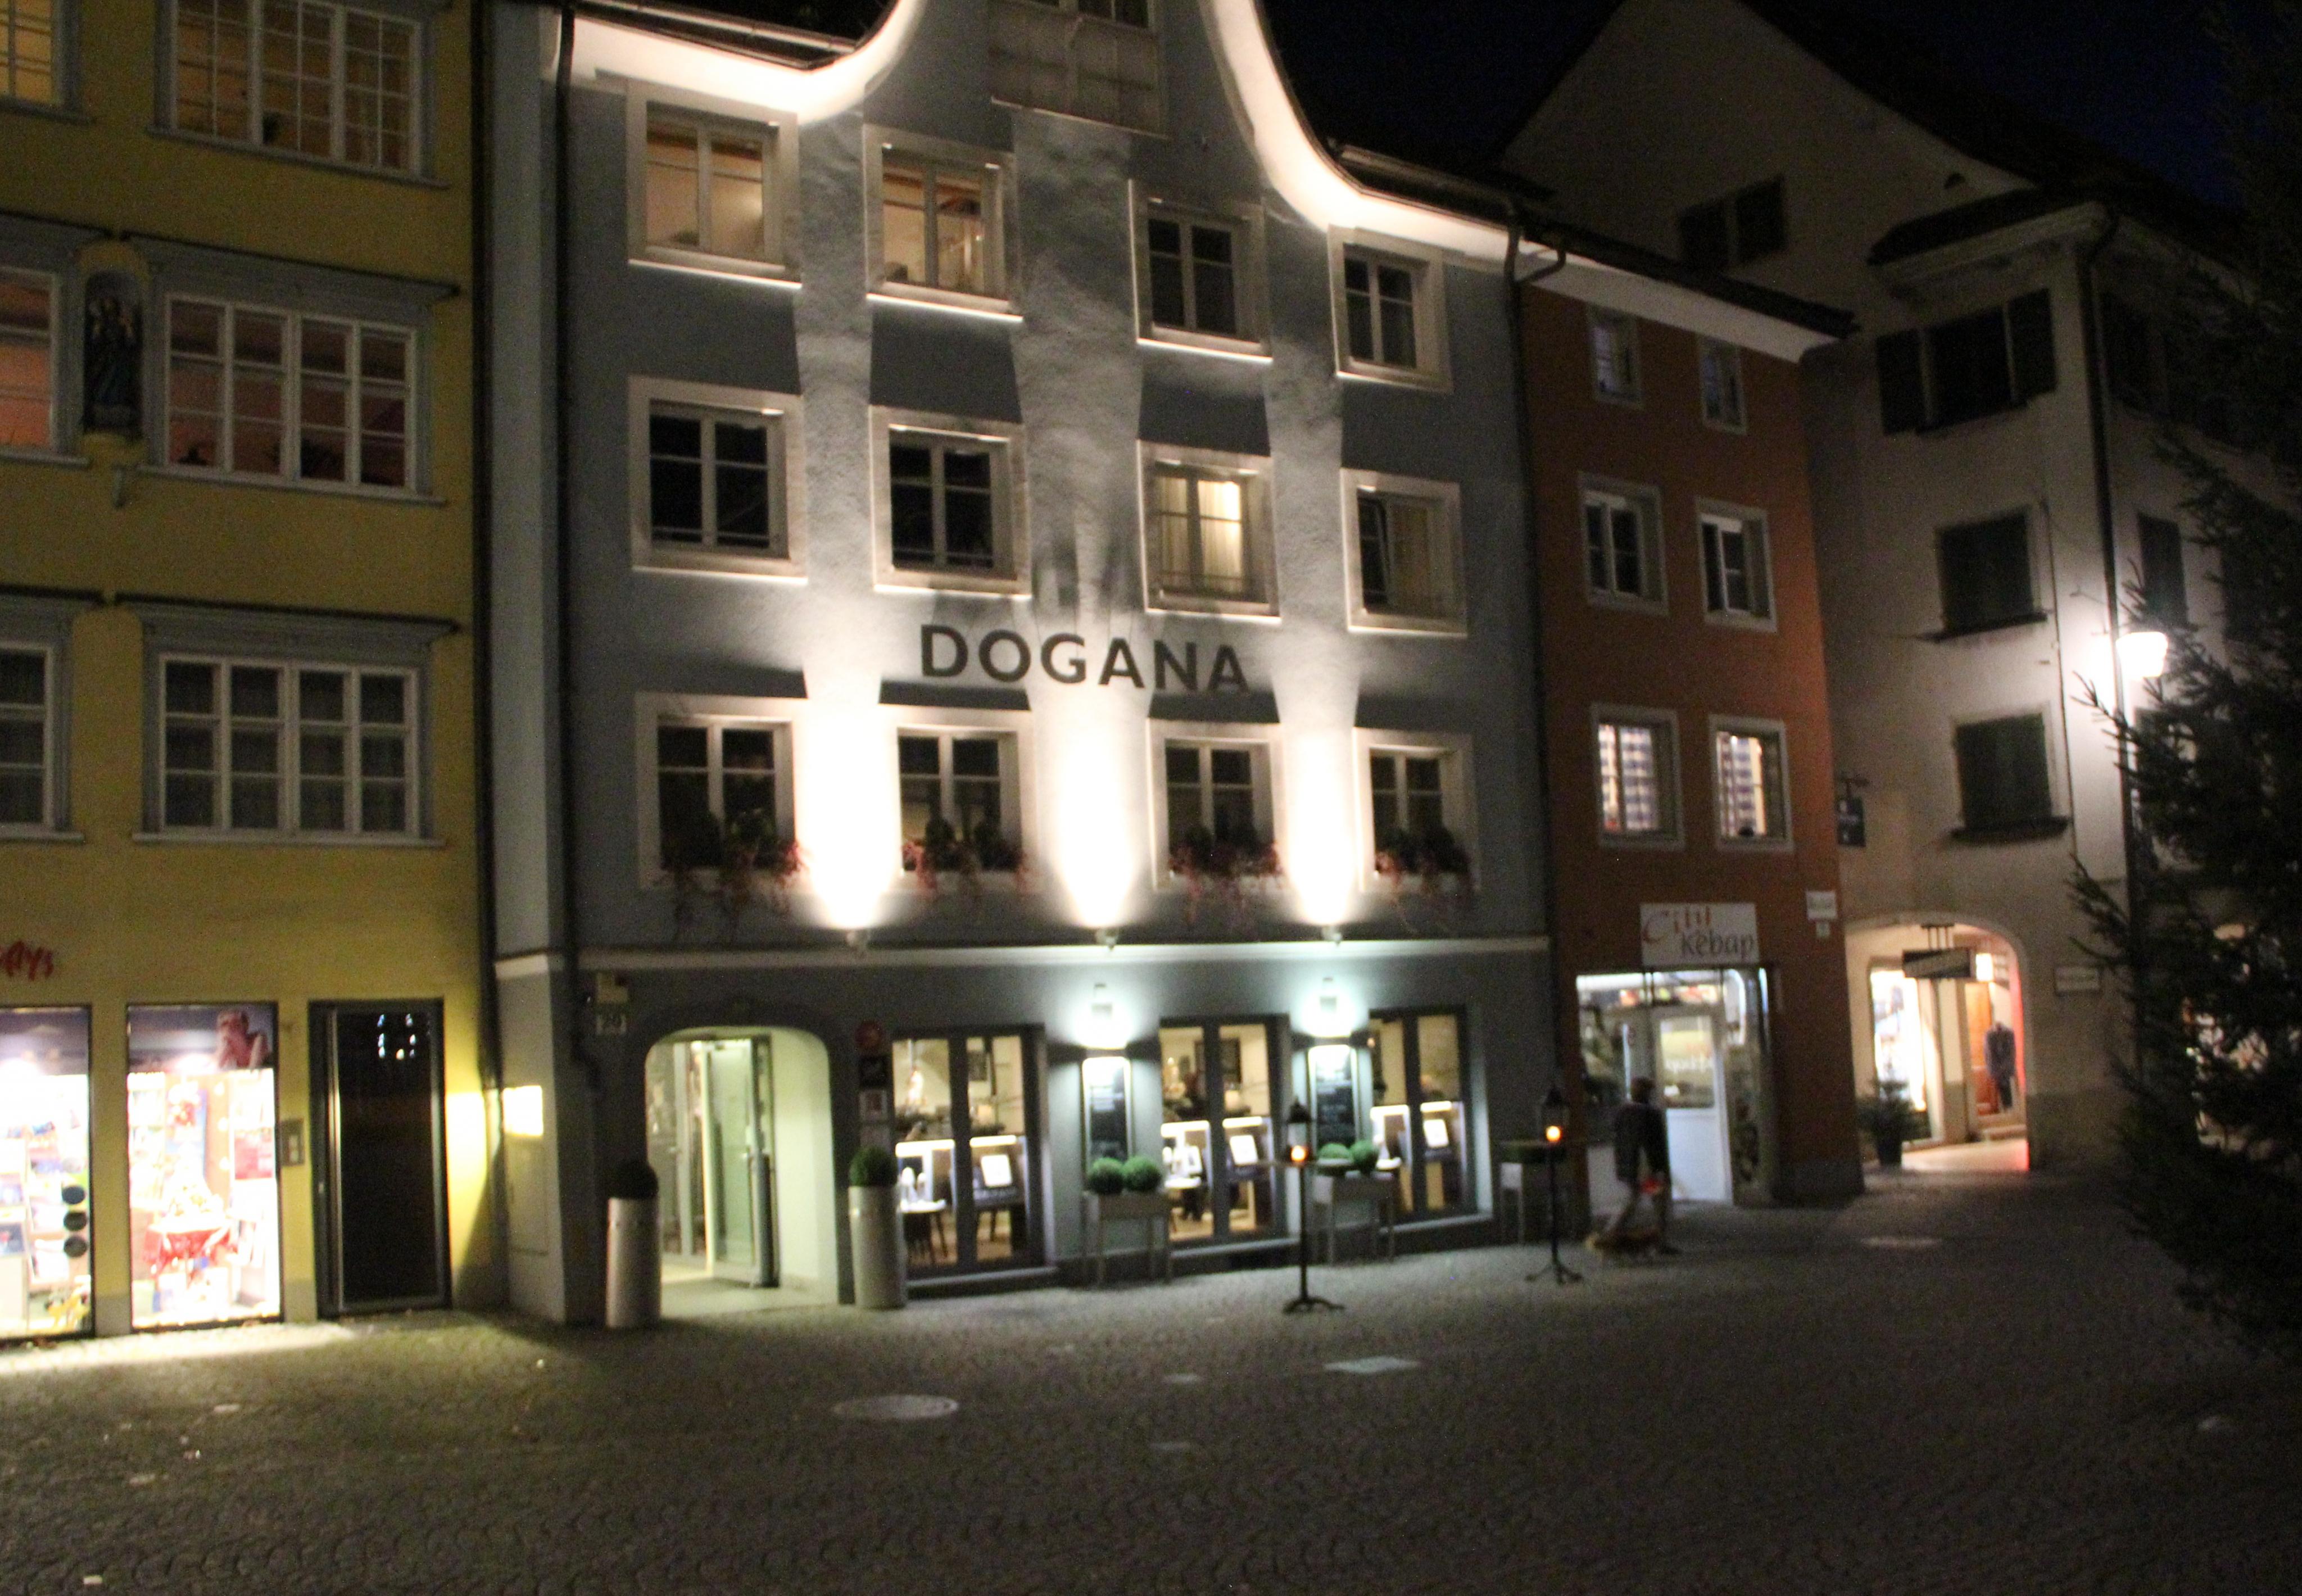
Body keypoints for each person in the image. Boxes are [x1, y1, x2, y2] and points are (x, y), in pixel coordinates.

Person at [1608, 1076, 1676, 1254]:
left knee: (1632, 1199)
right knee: (1659, 1202)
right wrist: (1662, 1170)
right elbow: (1656, 1145)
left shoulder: (1621, 1113)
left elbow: (1618, 1141)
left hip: (1630, 1166)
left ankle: (1610, 1234)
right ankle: (1660, 1243)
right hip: (1647, 1167)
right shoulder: (1650, 1114)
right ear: (1648, 1093)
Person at [1984, 1022, 2018, 1116]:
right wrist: (1993, 1069)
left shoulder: (2009, 1033)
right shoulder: (1989, 1035)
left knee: (2006, 1085)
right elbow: (1989, 1053)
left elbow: (2011, 1051)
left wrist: (2006, 1067)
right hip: (1995, 1067)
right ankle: (1997, 1109)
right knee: (1996, 1088)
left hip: (2006, 1067)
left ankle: (2008, 1108)